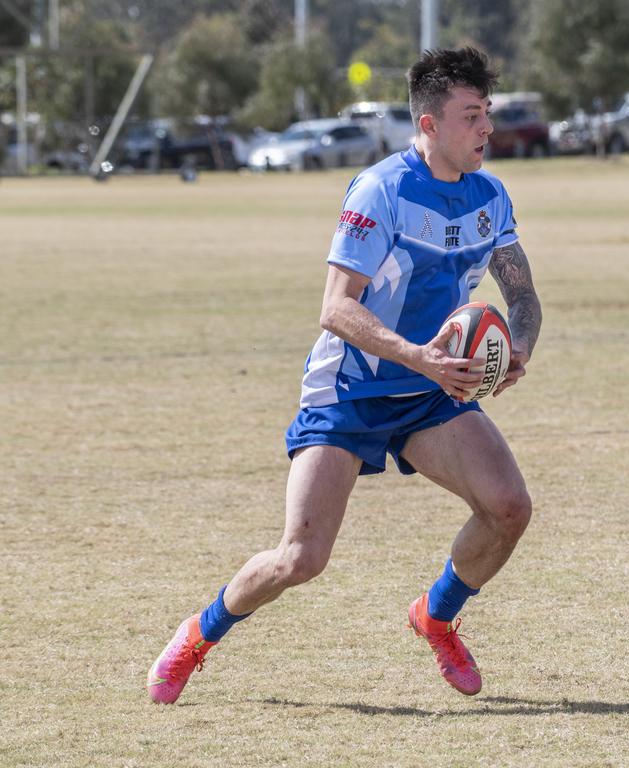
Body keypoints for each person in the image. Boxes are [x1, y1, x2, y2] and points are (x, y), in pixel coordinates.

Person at [147, 47, 542, 703]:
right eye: (471, 116)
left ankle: (436, 615)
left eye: (487, 115)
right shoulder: (380, 191)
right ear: (428, 125)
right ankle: (198, 634)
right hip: (350, 391)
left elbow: (521, 296)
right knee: (299, 559)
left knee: (509, 508)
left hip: (429, 392)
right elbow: (336, 308)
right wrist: (419, 357)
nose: (486, 130)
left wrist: (519, 346)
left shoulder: (490, 196)